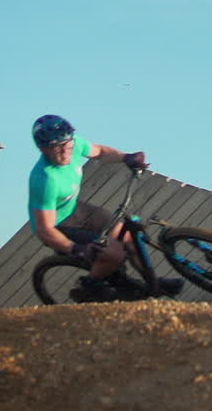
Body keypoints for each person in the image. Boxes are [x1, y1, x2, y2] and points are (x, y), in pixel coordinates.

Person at [28, 114, 182, 302]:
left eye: (66, 144)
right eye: (56, 147)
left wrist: (127, 157)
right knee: (114, 253)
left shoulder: (74, 144)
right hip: (58, 225)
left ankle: (153, 283)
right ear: (43, 148)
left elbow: (100, 152)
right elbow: (45, 230)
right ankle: (90, 284)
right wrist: (75, 248)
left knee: (129, 238)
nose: (65, 150)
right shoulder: (45, 179)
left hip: (76, 209)